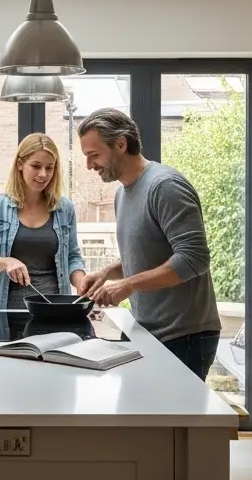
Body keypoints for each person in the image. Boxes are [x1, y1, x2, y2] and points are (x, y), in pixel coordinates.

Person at [74, 107, 221, 380]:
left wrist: (128, 285)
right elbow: (147, 252)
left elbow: (194, 258)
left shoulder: (165, 186)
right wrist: (108, 273)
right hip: (149, 330)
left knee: (173, 421)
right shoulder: (122, 195)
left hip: (185, 336)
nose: (89, 165)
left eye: (94, 155)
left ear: (120, 144)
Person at [0, 133, 89, 340]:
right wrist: (6, 262)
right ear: (20, 164)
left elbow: (72, 257)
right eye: (36, 166)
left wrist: (81, 282)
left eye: (50, 167)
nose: (43, 174)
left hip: (55, 316)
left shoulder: (64, 209)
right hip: (5, 316)